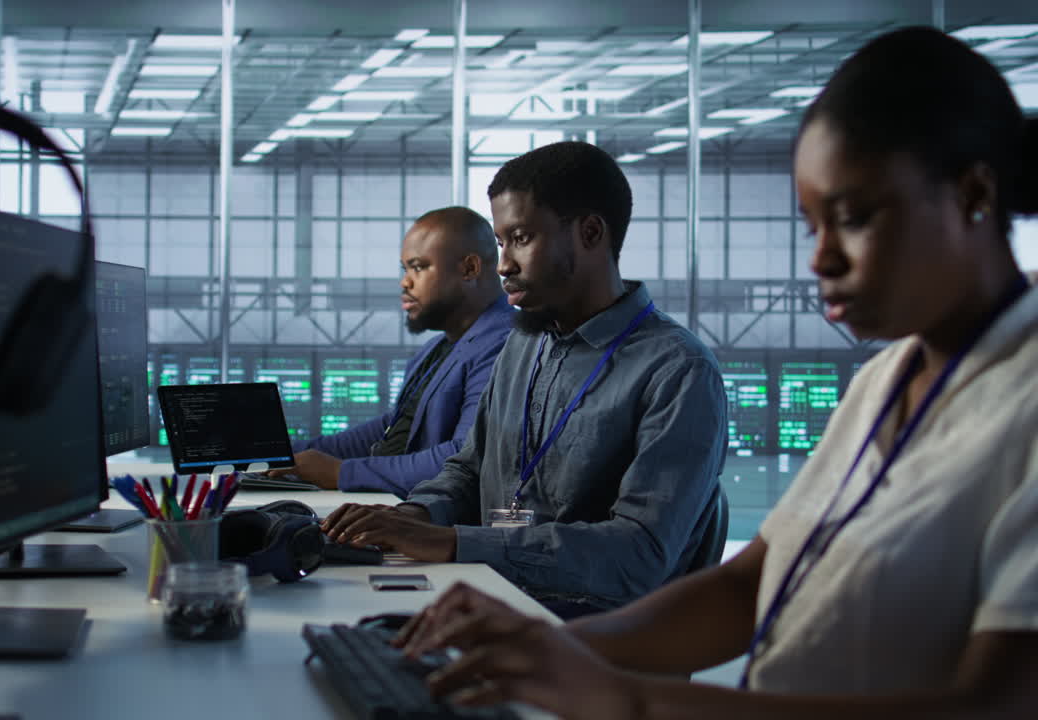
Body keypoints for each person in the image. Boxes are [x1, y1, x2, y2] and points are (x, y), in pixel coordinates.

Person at [387, 26, 1038, 719]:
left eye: (852, 219)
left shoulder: (1021, 402)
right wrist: (553, 645)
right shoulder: (888, 379)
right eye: (811, 226)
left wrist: (625, 697)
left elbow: (993, 705)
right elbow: (750, 587)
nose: (820, 260)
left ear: (974, 194)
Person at [323, 141, 729, 618]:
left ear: (591, 233)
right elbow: (468, 469)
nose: (503, 265)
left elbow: (637, 552)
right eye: (500, 242)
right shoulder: (523, 344)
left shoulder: (678, 370)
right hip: (489, 602)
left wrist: (452, 541)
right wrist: (412, 517)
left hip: (588, 642)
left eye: (520, 238)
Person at [268, 207, 512, 497]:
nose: (405, 282)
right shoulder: (437, 348)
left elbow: (466, 455)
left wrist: (341, 473)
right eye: (405, 269)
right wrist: (285, 456)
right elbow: (393, 427)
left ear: (469, 269)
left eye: (419, 267)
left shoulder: (504, 343)